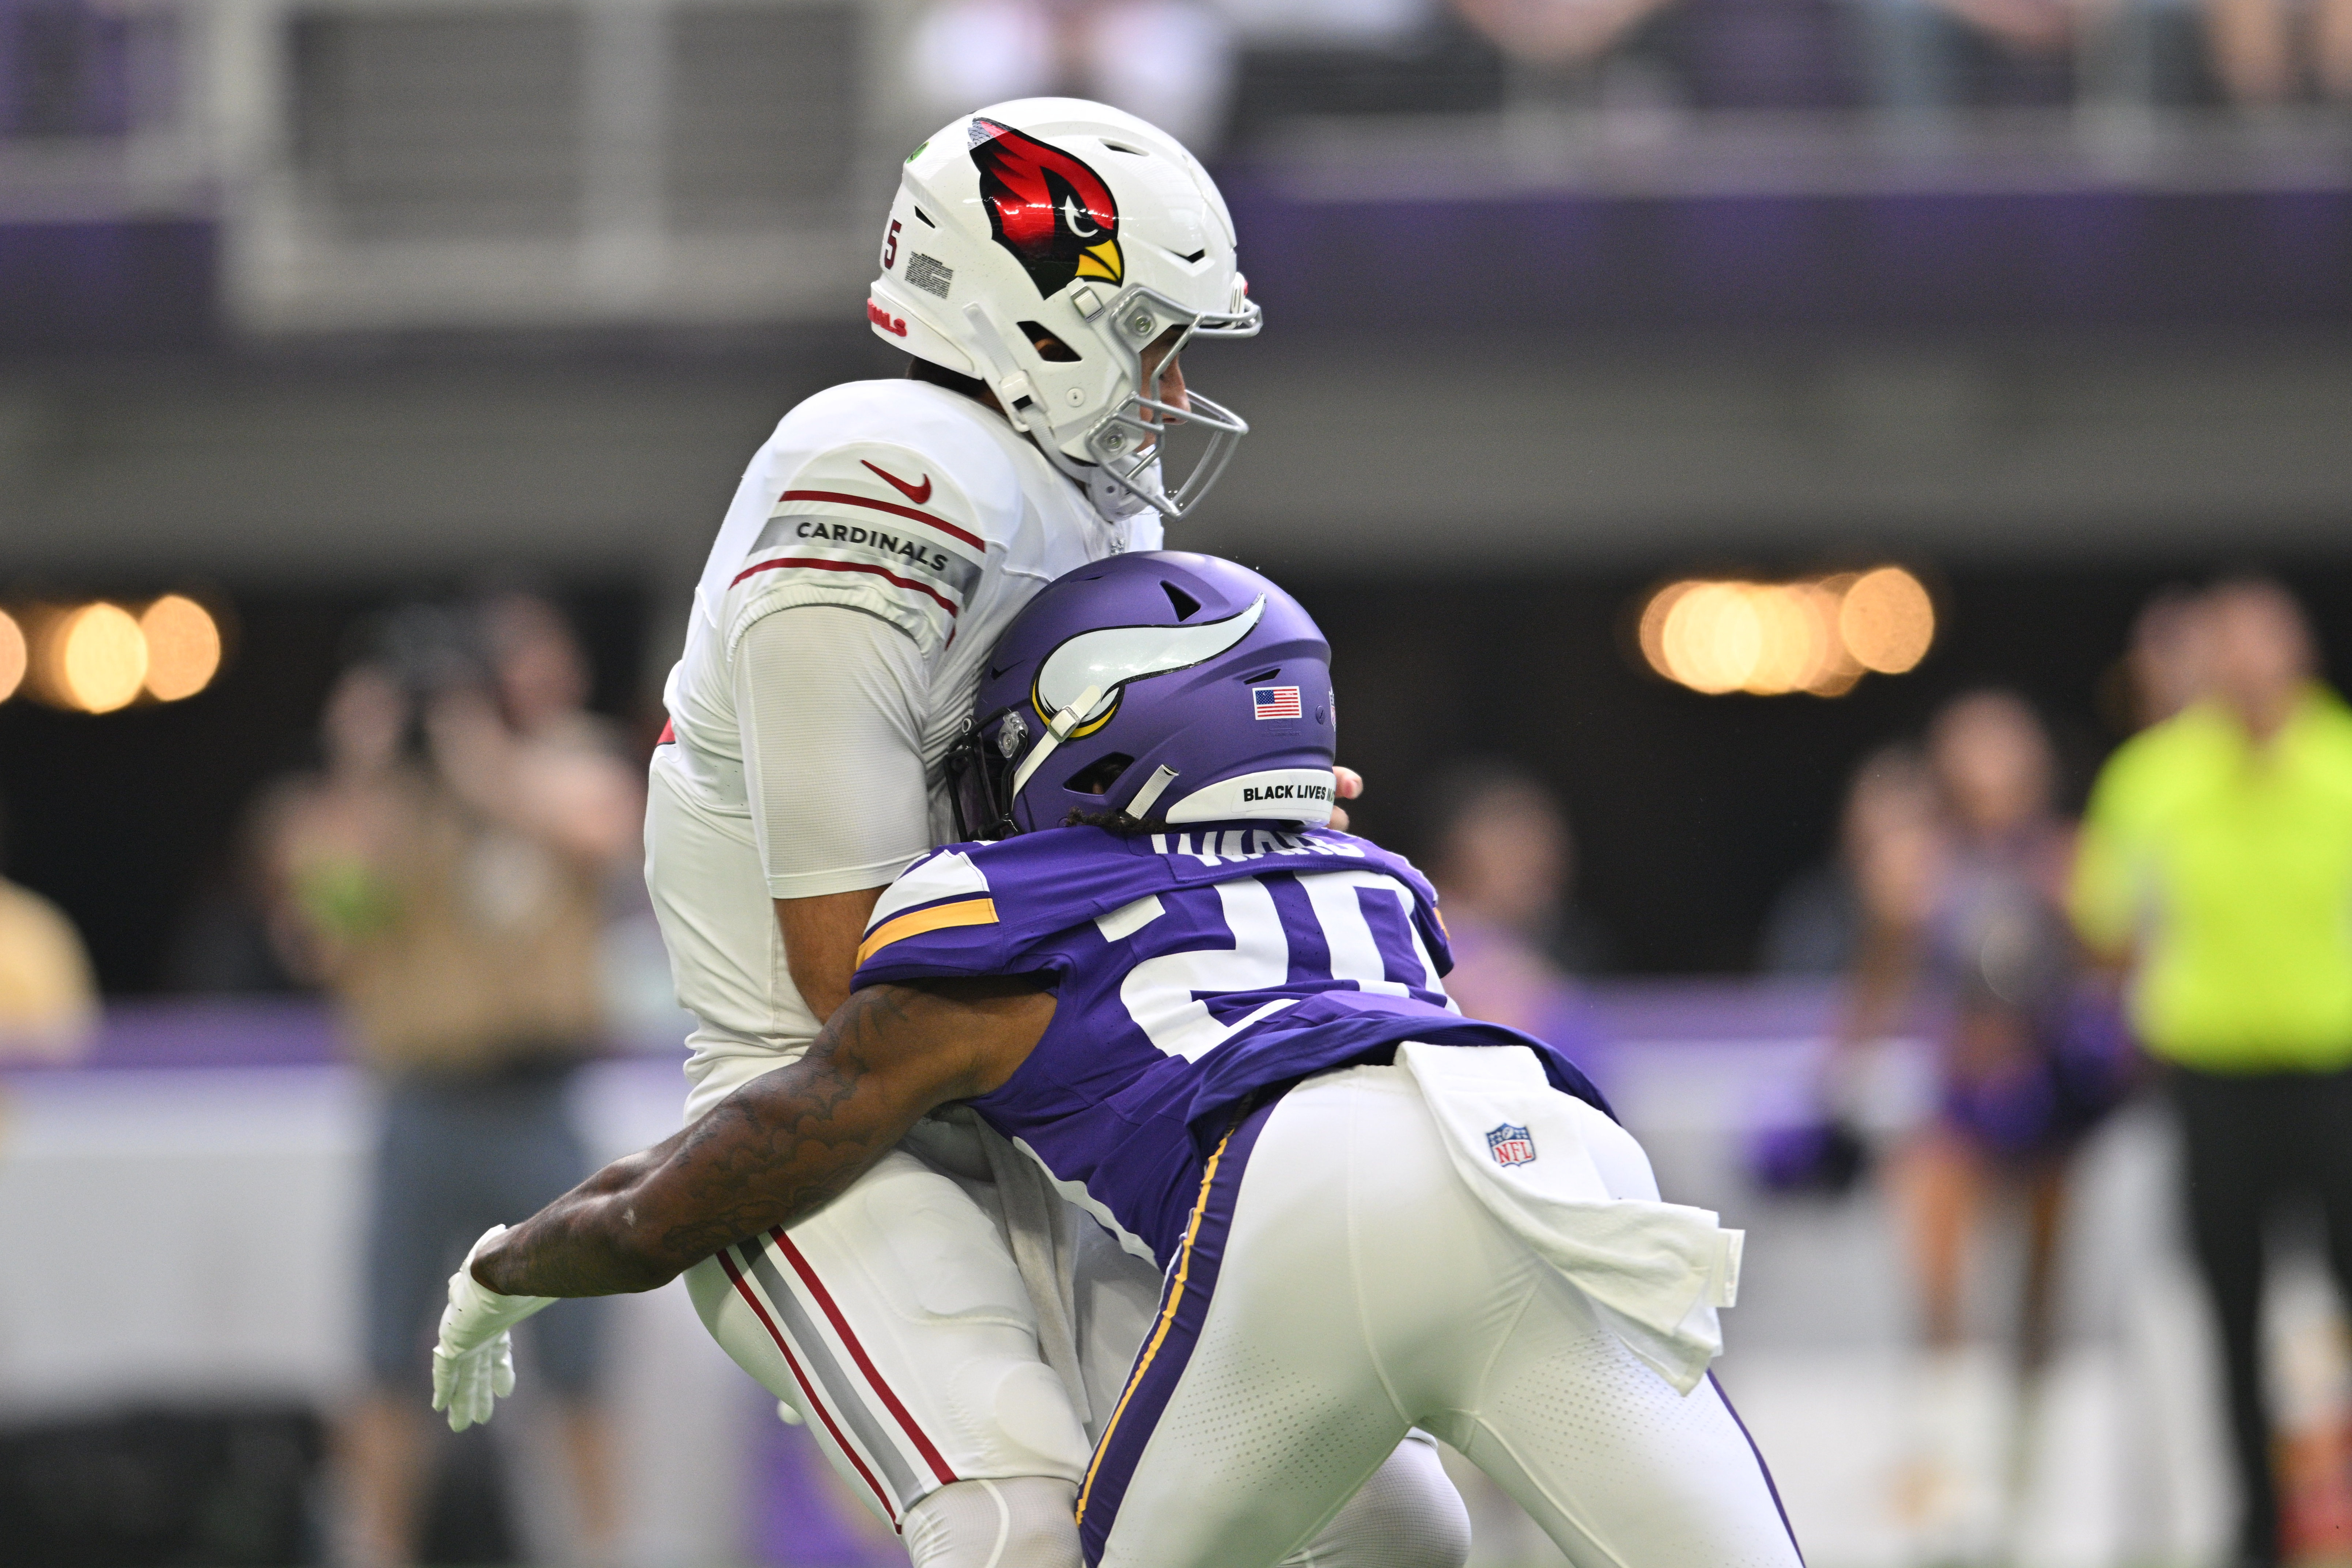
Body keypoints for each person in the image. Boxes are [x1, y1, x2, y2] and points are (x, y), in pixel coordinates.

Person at [429, 552, 1802, 1568]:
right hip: (1539, 1159)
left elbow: (728, 1172)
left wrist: (515, 1265)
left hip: (1310, 1199)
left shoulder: (996, 918)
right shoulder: (1380, 882)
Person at [616, 97, 1454, 1568]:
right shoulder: (878, 475)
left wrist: (1234, 824)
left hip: (1040, 1099)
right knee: (1014, 1524)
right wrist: (1168, 887)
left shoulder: (1070, 505)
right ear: (1037, 311)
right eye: (1152, 333)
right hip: (831, 1122)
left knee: (1377, 1515)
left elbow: (1055, 838)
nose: (1174, 382)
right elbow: (851, 974)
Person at [267, 597, 642, 1568]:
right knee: (389, 1353)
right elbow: (319, 933)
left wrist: (476, 755)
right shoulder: (379, 806)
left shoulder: (563, 764)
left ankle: (603, 1548)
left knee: (577, 1353)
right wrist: (363, 766)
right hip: (420, 1104)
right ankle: (376, 1546)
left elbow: (599, 835)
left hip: (537, 1101)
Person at [2071, 577, 2352, 1568]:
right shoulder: (2154, 778)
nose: (2246, 667)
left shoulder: (2342, 763)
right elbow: (2103, 928)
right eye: (2227, 648)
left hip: (2333, 1070)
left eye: (2262, 645)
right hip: (2210, 1078)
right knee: (2228, 1313)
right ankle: (2257, 1527)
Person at [1832, 692, 2126, 1560]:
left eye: (2007, 755)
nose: (1992, 775)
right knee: (1943, 1297)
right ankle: (1953, 1496)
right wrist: (1841, 1079)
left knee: (2040, 1302)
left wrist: (2087, 918)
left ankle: (2026, 1486)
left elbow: (2113, 974)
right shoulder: (1919, 867)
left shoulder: (2068, 859)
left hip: (2048, 1106)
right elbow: (1876, 992)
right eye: (1973, 757)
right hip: (1953, 1110)